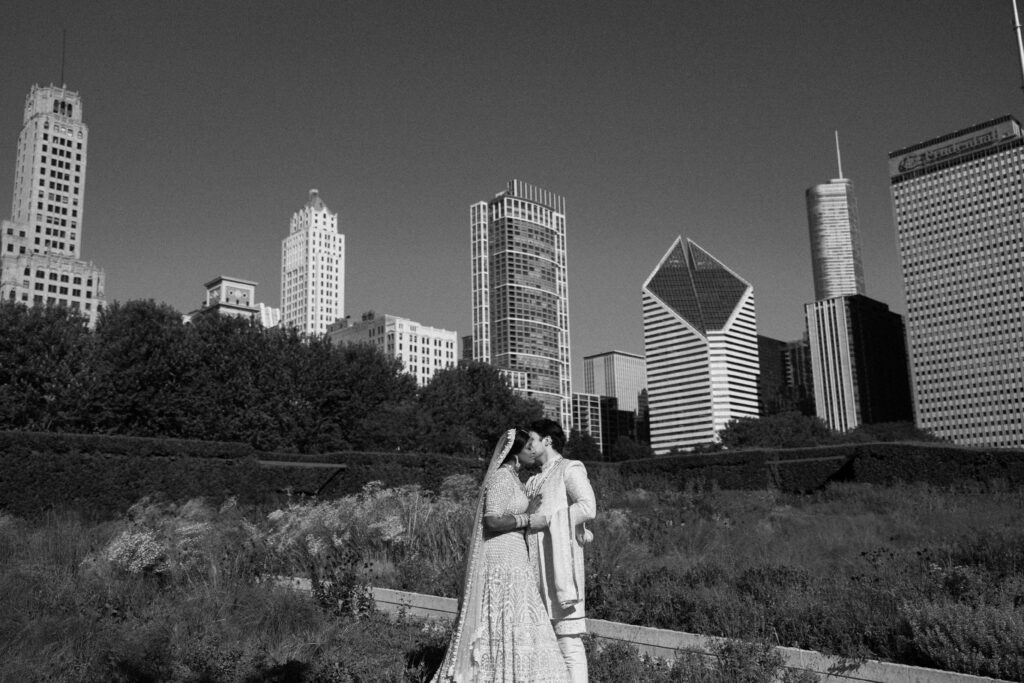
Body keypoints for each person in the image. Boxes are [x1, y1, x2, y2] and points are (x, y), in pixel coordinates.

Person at [431, 428, 568, 682]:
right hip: (500, 558)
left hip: (515, 556)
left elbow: (510, 513)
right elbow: (492, 521)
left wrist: (527, 510)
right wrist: (528, 517)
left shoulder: (514, 479)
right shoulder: (501, 478)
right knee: (503, 615)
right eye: (528, 447)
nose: (532, 451)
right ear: (515, 452)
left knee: (520, 616)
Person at [525, 419, 597, 683]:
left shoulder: (569, 469)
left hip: (559, 567)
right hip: (533, 567)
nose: (528, 446)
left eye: (532, 439)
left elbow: (588, 507)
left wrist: (552, 520)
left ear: (548, 440)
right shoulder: (532, 480)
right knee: (540, 641)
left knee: (568, 641)